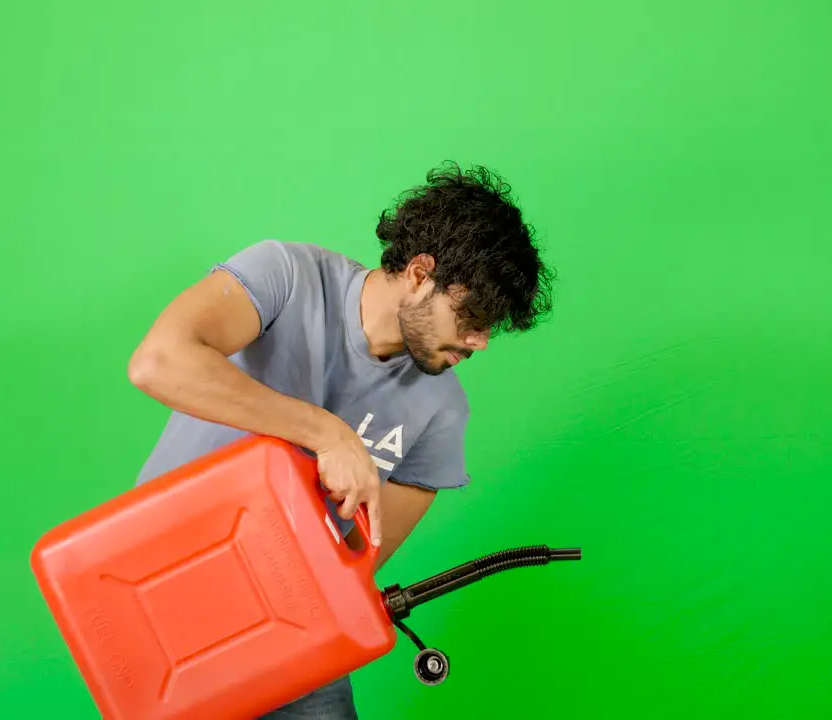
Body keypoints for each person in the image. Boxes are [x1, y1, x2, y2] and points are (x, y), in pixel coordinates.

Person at [125, 162, 555, 718]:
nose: (480, 340)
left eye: (491, 325)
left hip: (287, 638)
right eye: (472, 315)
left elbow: (352, 572)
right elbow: (158, 363)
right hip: (161, 596)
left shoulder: (442, 414)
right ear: (421, 274)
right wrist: (325, 432)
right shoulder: (286, 275)